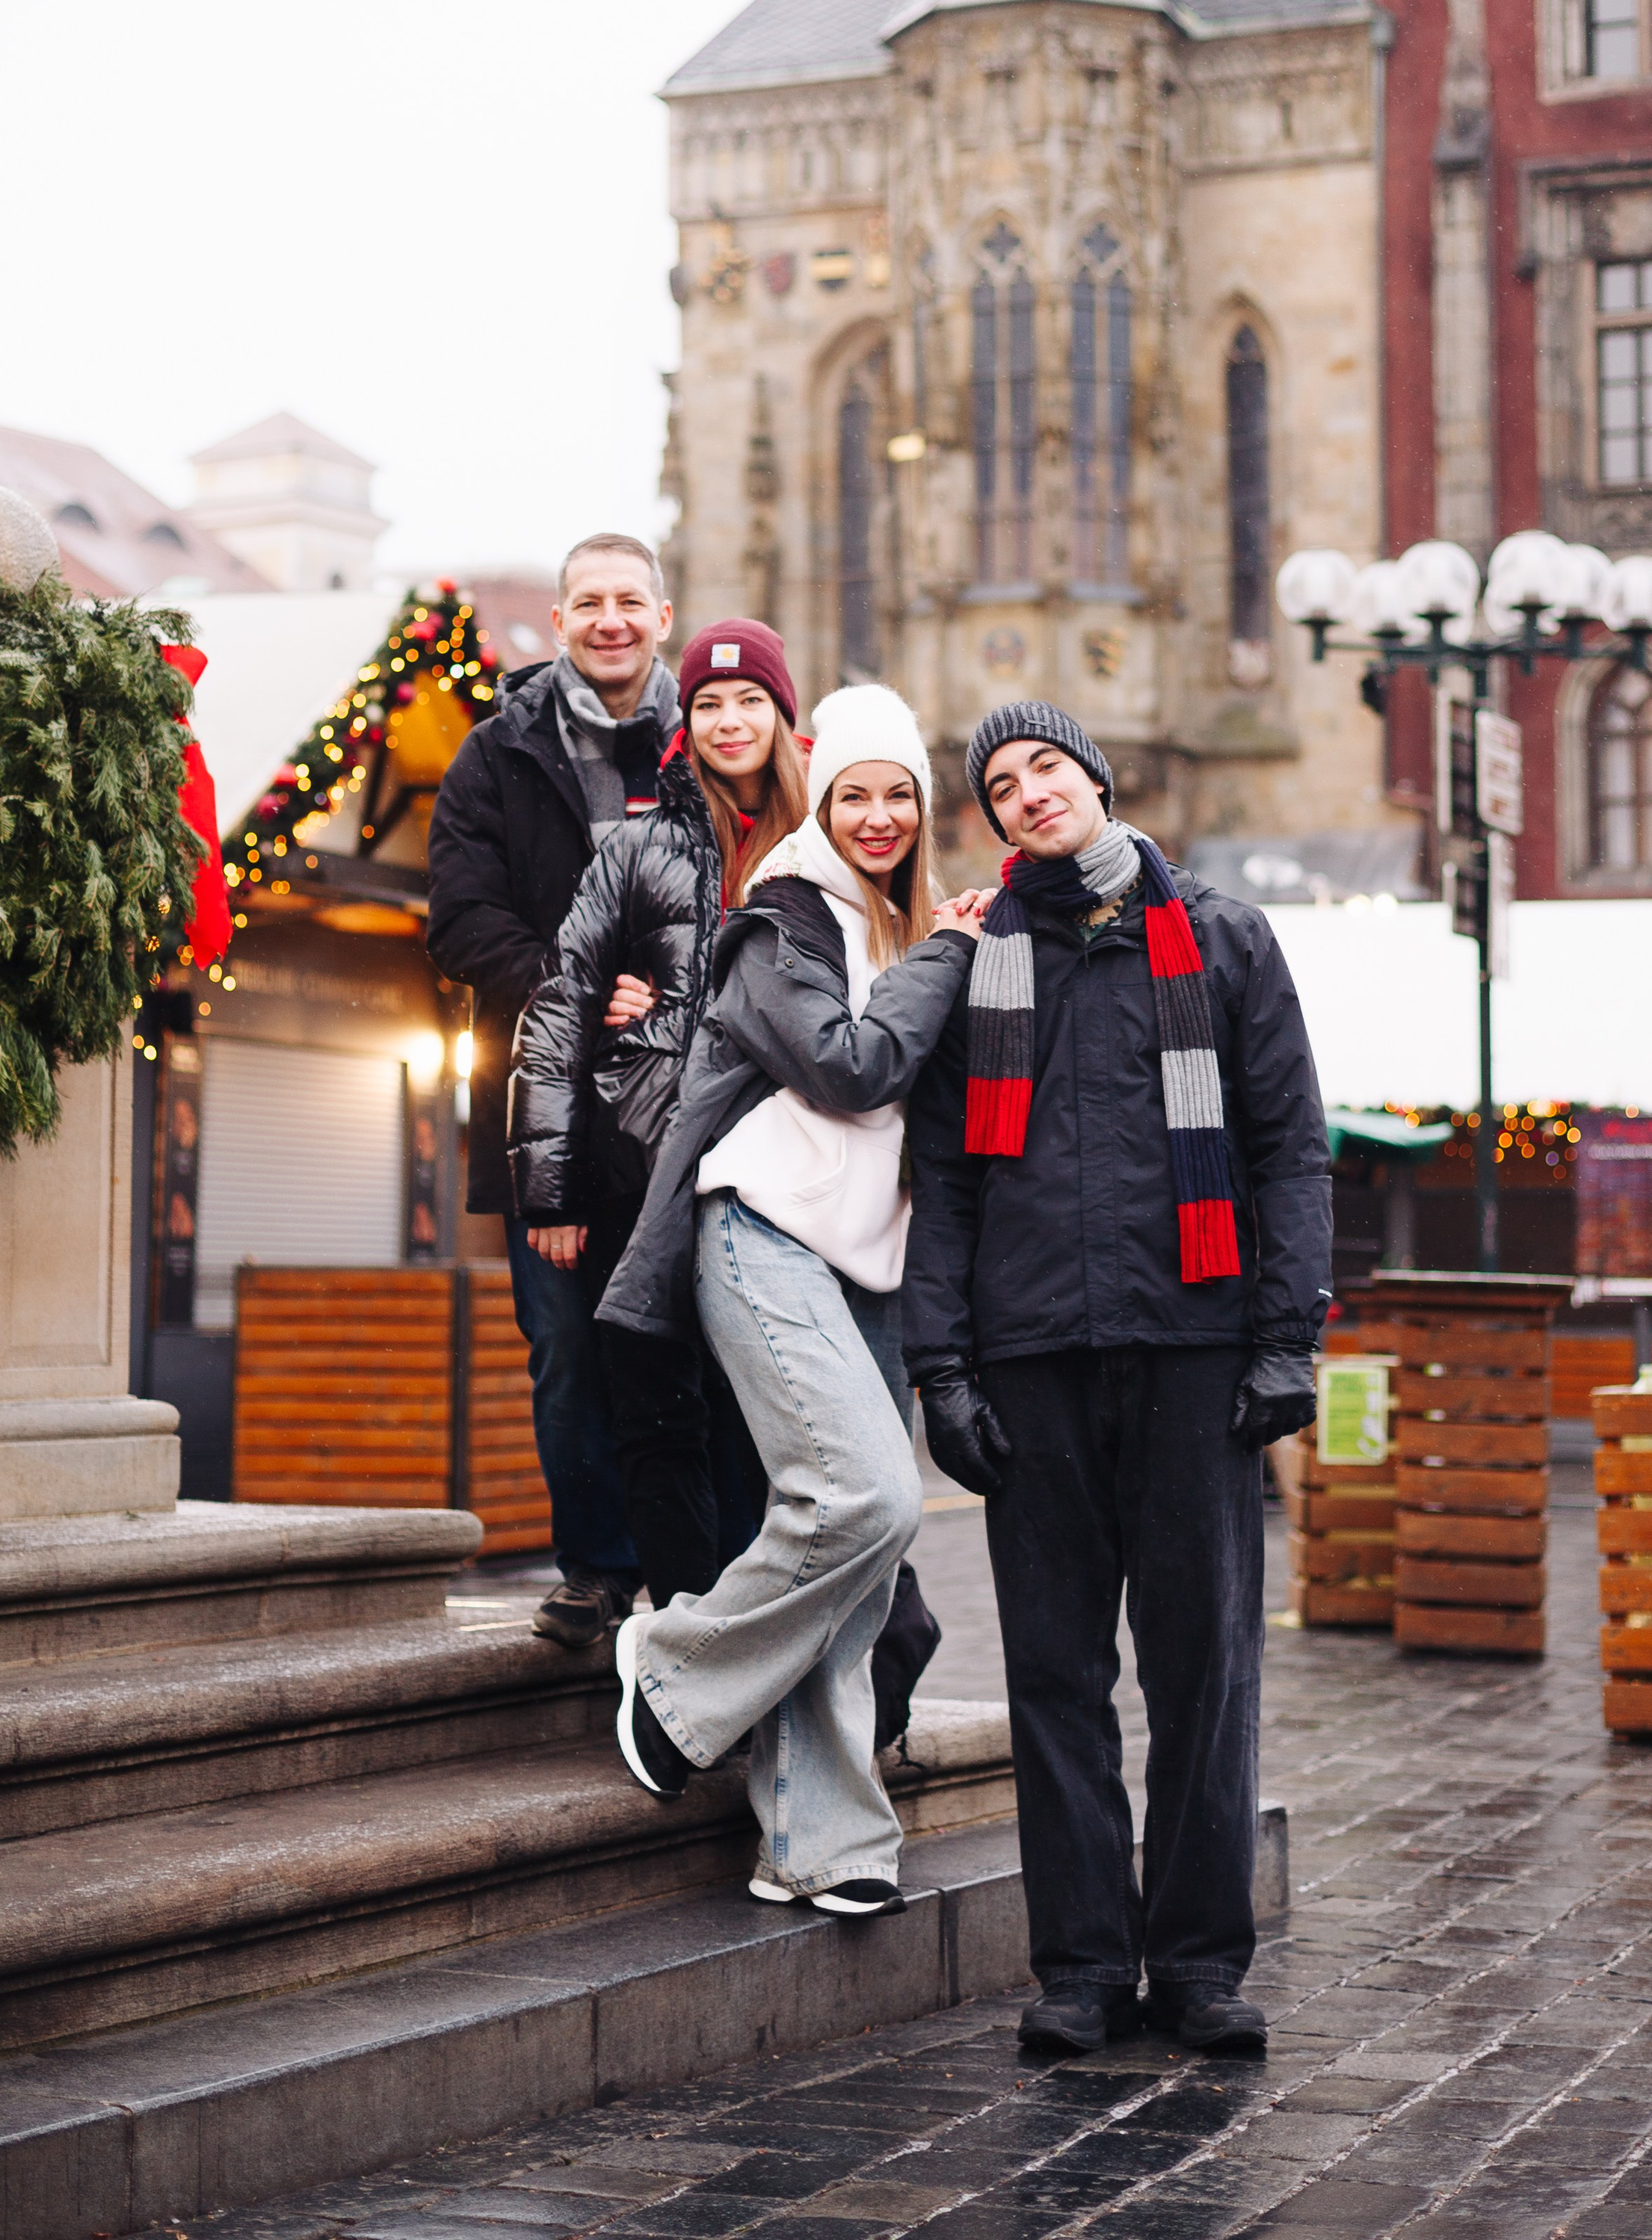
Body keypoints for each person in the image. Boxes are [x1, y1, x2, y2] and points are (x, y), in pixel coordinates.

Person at [902, 701, 1331, 2057]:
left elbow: (1290, 1148)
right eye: (1001, 785)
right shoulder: (979, 961)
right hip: (1032, 1357)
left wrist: (1286, 1337)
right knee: (1055, 1674)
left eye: (1046, 767)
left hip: (1194, 1350)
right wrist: (941, 1366)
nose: (1029, 793)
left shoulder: (1222, 937)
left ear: (1093, 778)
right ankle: (1083, 1965)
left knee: (1205, 1671)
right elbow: (944, 1180)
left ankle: (1200, 1964)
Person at [597, 686, 983, 1915]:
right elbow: (849, 1067)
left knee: (859, 1554)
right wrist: (949, 957)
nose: (877, 816)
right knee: (867, 1492)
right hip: (761, 1227)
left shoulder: (911, 927)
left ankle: (822, 1843)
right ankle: (674, 1670)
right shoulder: (783, 915)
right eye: (853, 793)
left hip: (871, 1260)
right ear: (820, 800)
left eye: (899, 794)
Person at [511, 617, 807, 1609]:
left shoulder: (827, 848)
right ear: (688, 721)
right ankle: (688, 1647)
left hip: (784, 1181)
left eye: (750, 699)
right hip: (643, 1173)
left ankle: (771, 1648)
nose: (730, 720)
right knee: (658, 1420)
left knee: (761, 1427)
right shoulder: (639, 847)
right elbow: (560, 1006)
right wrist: (551, 1191)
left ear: (782, 714)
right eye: (710, 702)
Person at [425, 534, 678, 1647]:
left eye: (630, 600)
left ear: (662, 615)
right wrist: (575, 990)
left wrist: (668, 990)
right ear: (563, 620)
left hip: (682, 1111)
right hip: (543, 1116)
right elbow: (459, 919)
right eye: (589, 603)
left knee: (683, 1349)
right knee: (568, 1351)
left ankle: (696, 1579)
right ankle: (598, 1569)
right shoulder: (498, 751)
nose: (609, 619)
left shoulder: (712, 741)